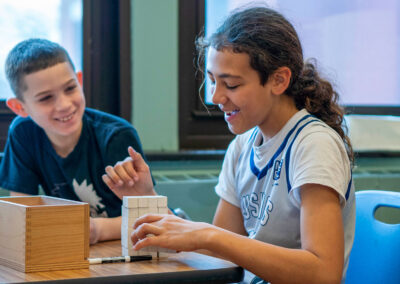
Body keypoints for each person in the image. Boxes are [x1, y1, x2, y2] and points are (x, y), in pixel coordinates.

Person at [102, 6, 355, 284]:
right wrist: (147, 197)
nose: (216, 97)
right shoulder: (242, 146)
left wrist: (210, 235)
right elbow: (216, 253)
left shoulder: (314, 145)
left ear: (279, 80)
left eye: (231, 85)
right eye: (211, 81)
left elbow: (323, 273)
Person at [0, 38, 156, 245]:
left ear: (80, 81)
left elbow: (151, 216)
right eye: (46, 98)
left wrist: (97, 230)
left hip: (127, 244)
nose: (64, 105)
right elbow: (21, 213)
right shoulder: (22, 134)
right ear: (20, 107)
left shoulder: (116, 136)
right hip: (75, 246)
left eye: (70, 88)